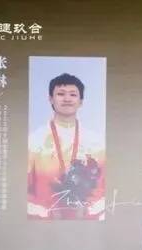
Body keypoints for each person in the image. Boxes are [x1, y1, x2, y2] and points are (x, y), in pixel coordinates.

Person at [28, 73, 105, 220]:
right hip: (44, 222)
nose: (67, 99)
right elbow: (25, 189)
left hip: (87, 222)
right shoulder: (34, 140)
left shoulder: (96, 142)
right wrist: (44, 212)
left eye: (73, 94)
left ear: (81, 101)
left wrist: (90, 209)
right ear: (50, 99)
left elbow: (103, 187)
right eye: (61, 94)